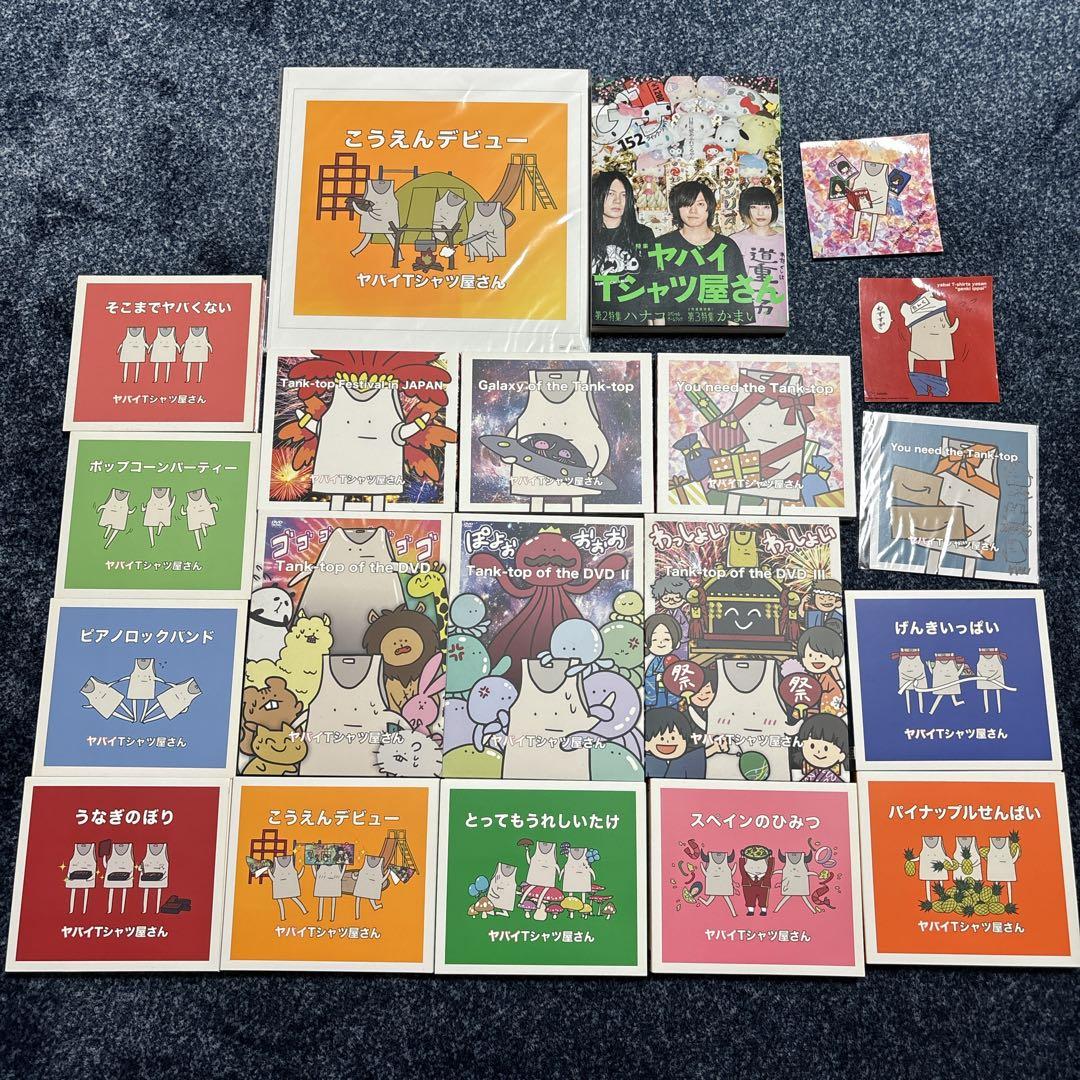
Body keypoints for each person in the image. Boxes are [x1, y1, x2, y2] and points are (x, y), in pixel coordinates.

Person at [655, 180, 755, 327]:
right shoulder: (661, 245)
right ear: (677, 208)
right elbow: (655, 302)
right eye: (686, 204)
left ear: (710, 207)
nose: (693, 211)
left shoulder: (727, 247)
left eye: (700, 204)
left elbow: (738, 299)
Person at [590, 171, 656, 326]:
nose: (618, 201)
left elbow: (653, 281)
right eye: (610, 194)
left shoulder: (644, 234)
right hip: (597, 324)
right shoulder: (584, 235)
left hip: (635, 323)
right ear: (597, 196)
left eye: (624, 195)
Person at [729, 186, 787, 326]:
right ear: (746, 210)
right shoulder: (734, 241)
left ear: (773, 209)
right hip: (744, 320)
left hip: (778, 319)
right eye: (754, 207)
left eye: (766, 207)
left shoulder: (784, 242)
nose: (760, 213)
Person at [644, 706, 722, 779]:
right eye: (662, 738)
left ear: (686, 741)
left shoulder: (685, 759)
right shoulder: (649, 762)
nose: (667, 741)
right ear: (646, 744)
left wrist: (715, 748)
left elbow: (698, 756)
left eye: (673, 738)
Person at [797, 624, 847, 716]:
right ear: (803, 659)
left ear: (835, 660)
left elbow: (830, 693)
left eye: (821, 655)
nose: (816, 659)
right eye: (810, 655)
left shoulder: (826, 678)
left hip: (829, 705)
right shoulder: (813, 676)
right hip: (820, 705)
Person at [795, 712, 849, 782]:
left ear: (841, 756)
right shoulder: (811, 774)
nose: (818, 751)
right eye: (812, 746)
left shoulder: (834, 779)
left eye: (826, 748)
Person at [644, 613, 681, 708]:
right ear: (646, 643)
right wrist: (656, 678)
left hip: (669, 695)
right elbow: (647, 678)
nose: (661, 643)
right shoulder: (653, 662)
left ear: (676, 643)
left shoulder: (674, 661)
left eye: (666, 639)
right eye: (655, 640)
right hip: (657, 694)